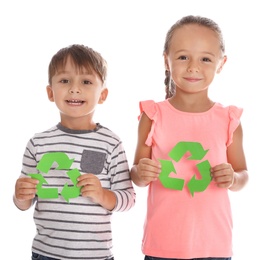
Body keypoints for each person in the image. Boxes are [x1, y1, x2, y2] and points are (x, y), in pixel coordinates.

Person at [130, 15, 248, 260]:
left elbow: (243, 174)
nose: (193, 67)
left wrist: (233, 178)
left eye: (205, 59)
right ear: (167, 60)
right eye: (183, 57)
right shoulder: (153, 115)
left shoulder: (229, 119)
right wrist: (141, 173)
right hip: (161, 245)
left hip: (214, 245)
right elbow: (136, 174)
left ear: (221, 63)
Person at [14, 44, 136, 260]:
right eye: (64, 81)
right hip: (45, 253)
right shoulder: (38, 143)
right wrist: (19, 195)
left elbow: (128, 199)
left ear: (102, 94)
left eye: (86, 82)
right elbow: (25, 203)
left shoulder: (111, 143)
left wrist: (101, 194)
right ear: (51, 92)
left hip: (95, 255)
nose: (74, 89)